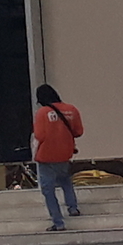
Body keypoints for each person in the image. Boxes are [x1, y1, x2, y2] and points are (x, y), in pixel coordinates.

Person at [30, 83, 83, 230]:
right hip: (65, 153)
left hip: (46, 156)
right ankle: (73, 207)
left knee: (48, 190)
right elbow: (78, 131)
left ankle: (58, 222)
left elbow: (39, 135)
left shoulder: (42, 112)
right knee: (65, 180)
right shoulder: (71, 109)